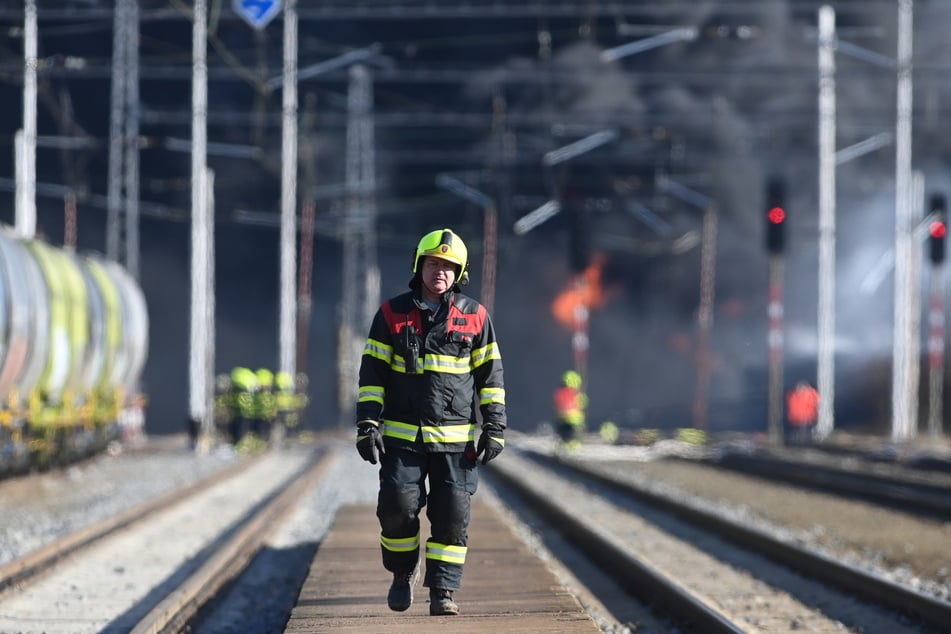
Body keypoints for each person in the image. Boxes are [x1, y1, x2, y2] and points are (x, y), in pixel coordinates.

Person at [355, 228, 507, 617]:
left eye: (449, 266)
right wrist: (368, 424)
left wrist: (494, 427)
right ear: (419, 265)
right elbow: (372, 374)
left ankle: (442, 591)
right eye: (434, 264)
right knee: (396, 508)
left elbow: (490, 377)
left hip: (457, 443)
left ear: (460, 273)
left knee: (452, 518)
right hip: (404, 440)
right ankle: (403, 572)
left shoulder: (475, 317)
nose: (440, 272)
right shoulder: (391, 314)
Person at [553, 370, 586, 451]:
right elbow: (581, 405)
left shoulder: (559, 392)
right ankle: (571, 452)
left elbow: (557, 404)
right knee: (572, 440)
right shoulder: (575, 394)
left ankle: (562, 450)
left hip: (562, 421)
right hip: (574, 423)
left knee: (563, 439)